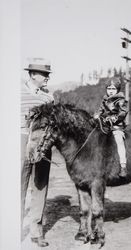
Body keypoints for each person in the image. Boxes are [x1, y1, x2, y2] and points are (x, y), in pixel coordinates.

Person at [21, 58, 54, 247]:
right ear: (33, 75)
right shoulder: (16, 93)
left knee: (40, 186)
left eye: (49, 74)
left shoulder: (49, 98)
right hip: (22, 140)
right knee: (19, 187)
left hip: (43, 145)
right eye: (44, 74)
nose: (48, 77)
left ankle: (36, 231)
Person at [94, 77, 128, 177]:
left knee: (119, 141)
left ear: (117, 89)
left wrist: (114, 118)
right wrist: (96, 115)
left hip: (117, 126)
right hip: (105, 126)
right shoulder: (104, 100)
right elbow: (100, 110)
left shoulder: (120, 100)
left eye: (113, 89)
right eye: (109, 88)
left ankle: (123, 166)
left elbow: (123, 112)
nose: (111, 91)